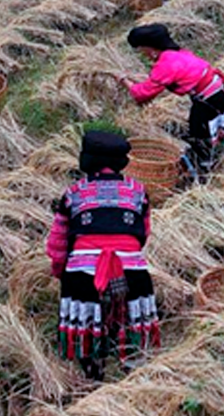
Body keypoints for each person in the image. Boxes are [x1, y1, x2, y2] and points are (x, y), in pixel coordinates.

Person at [47, 131, 161, 381]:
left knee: (88, 319)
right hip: (132, 271)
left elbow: (57, 243)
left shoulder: (73, 193)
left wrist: (61, 272)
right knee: (131, 320)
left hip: (82, 273)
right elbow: (142, 235)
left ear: (86, 159)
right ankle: (133, 376)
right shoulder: (138, 192)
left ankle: (94, 374)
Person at [117, 24, 224, 181]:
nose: (143, 54)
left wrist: (123, 80)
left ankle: (203, 173)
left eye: (141, 49)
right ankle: (218, 158)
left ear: (151, 48)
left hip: (209, 100)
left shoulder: (166, 64)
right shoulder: (176, 54)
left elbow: (141, 94)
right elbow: (157, 81)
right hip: (219, 92)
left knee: (200, 134)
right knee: (205, 130)